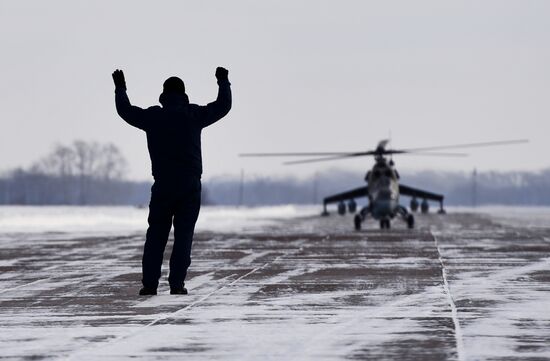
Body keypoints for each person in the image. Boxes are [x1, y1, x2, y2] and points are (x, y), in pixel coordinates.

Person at [112, 67, 232, 295]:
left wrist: (120, 88)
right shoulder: (193, 114)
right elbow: (223, 107)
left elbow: (126, 111)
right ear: (184, 94)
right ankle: (177, 284)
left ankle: (149, 285)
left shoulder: (153, 117)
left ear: (164, 94)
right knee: (184, 236)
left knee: (156, 235)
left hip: (163, 185)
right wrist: (223, 82)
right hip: (189, 185)